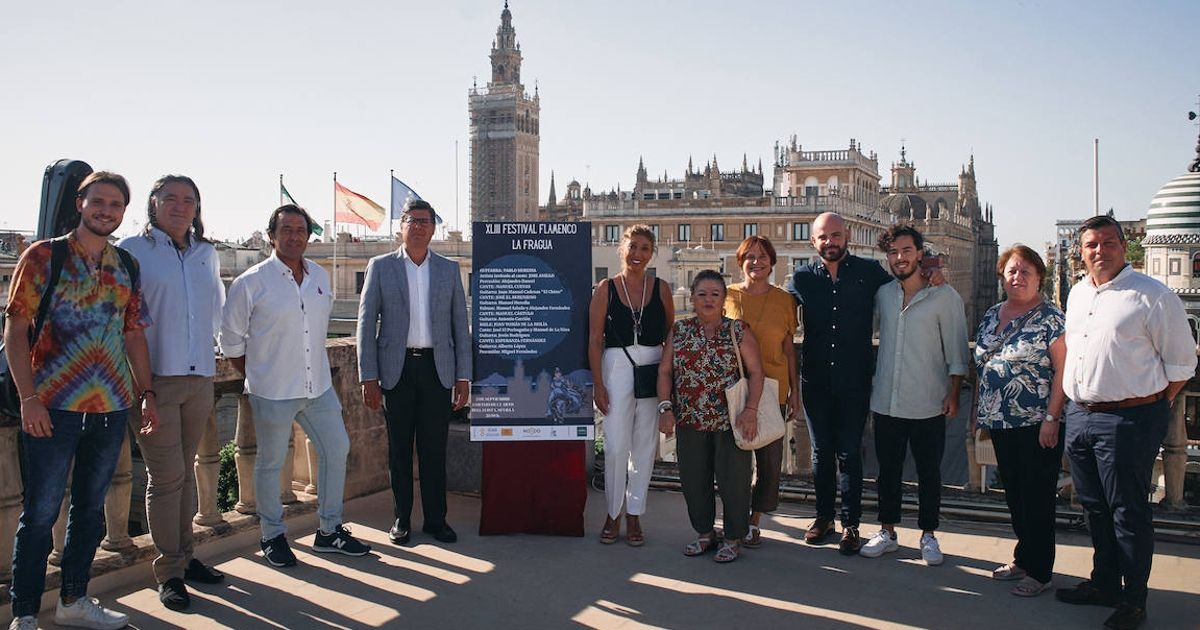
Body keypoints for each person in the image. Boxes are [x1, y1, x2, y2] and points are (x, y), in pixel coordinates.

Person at [5, 171, 158, 630]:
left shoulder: (126, 265)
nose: (106, 210)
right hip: (52, 407)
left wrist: (145, 393)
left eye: (115, 205)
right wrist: (28, 398)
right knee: (40, 514)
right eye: (99, 202)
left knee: (90, 511)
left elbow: (133, 334)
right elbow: (14, 331)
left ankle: (74, 600)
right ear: (80, 203)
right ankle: (26, 613)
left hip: (110, 408)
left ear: (123, 212)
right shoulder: (43, 256)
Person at [1054, 215, 1195, 630]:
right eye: (1091, 245)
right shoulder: (1078, 293)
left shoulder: (1152, 295)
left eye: (1108, 243)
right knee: (1094, 508)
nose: (1099, 251)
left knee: (1128, 513)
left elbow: (1182, 364)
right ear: (1081, 252)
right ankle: (1105, 584)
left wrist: (1149, 406)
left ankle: (1134, 600)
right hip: (1081, 416)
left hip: (1128, 419)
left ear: (1124, 246)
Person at [221, 204, 370, 568]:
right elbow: (230, 342)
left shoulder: (320, 275)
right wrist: (261, 372)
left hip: (317, 385)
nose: (294, 235)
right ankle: (272, 534)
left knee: (337, 449)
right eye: (286, 229)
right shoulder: (251, 282)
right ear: (271, 236)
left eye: (301, 229)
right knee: (271, 464)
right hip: (272, 391)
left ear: (308, 235)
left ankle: (329, 531)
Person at [787, 212, 944, 554]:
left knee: (850, 454)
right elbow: (774, 310)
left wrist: (932, 268)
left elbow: (905, 275)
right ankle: (823, 517)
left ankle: (851, 525)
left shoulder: (869, 273)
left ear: (848, 236)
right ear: (813, 242)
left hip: (855, 381)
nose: (831, 242)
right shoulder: (801, 278)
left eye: (836, 235)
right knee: (820, 454)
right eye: (823, 237)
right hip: (815, 380)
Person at [116, 175, 226, 611]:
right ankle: (169, 572)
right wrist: (141, 386)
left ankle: (186, 557)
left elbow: (215, 308)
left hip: (199, 378)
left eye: (189, 200)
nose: (181, 206)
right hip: (153, 381)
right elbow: (122, 319)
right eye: (171, 199)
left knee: (184, 473)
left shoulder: (206, 253)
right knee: (165, 478)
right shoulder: (133, 251)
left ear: (198, 207)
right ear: (153, 204)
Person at [357, 199, 471, 546]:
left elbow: (458, 326)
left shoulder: (448, 270)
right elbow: (365, 324)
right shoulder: (380, 267)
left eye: (425, 221)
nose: (419, 226)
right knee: (399, 450)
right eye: (412, 220)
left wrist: (463, 377)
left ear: (434, 228)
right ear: (401, 226)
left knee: (435, 450)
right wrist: (368, 376)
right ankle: (401, 518)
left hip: (438, 369)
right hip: (397, 370)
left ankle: (437, 521)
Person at [861, 224, 969, 566]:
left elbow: (956, 352)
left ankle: (928, 535)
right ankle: (887, 532)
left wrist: (953, 393)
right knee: (887, 472)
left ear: (920, 253)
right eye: (893, 253)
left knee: (928, 473)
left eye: (907, 251)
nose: (900, 258)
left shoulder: (945, 297)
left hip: (928, 401)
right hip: (887, 402)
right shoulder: (884, 294)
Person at [973, 245, 1066, 597]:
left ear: (1039, 276)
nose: (1018, 277)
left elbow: (1062, 369)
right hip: (999, 422)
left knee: (1038, 496)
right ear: (1002, 276)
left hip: (1037, 422)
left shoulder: (1051, 317)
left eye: (1026, 271)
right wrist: (977, 415)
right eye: (1012, 271)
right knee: (1014, 493)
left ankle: (1041, 572)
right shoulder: (993, 313)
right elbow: (982, 366)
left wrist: (1052, 417)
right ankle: (1024, 557)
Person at [657, 270, 762, 563]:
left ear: (724, 299)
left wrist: (751, 410)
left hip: (732, 421)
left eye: (715, 294)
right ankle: (705, 534)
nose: (708, 299)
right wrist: (665, 407)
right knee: (694, 481)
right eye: (702, 294)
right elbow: (665, 371)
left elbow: (756, 373)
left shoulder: (738, 330)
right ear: (692, 298)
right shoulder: (679, 331)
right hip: (690, 420)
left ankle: (732, 537)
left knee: (735, 482)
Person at [587, 225, 674, 546]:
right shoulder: (605, 289)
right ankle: (612, 512)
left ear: (652, 254)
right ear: (621, 249)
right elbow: (595, 340)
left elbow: (671, 336)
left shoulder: (661, 288)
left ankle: (634, 513)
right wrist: (598, 384)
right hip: (616, 367)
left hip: (653, 368)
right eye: (633, 247)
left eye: (645, 249)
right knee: (614, 445)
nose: (637, 254)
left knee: (644, 445)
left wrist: (669, 379)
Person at [724, 236, 799, 548]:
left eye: (763, 256)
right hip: (734, 388)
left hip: (774, 389)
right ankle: (735, 520)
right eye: (750, 257)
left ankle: (754, 521)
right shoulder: (726, 295)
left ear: (773, 261)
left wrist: (796, 392)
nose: (756, 262)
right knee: (735, 462)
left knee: (769, 463)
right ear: (740, 262)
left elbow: (789, 348)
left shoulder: (785, 300)